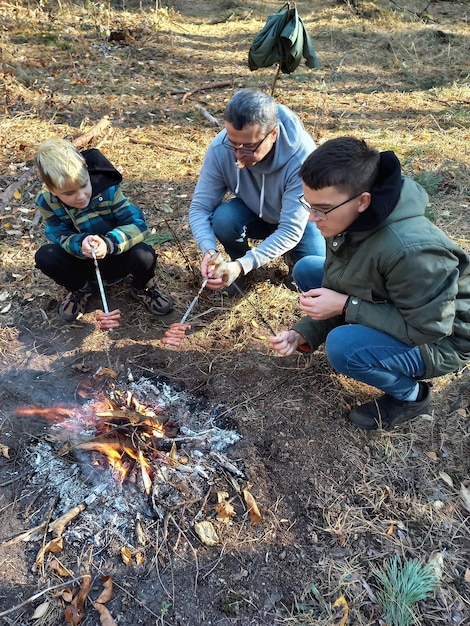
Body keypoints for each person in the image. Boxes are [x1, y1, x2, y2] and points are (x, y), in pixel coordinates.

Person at [268, 136, 470, 430]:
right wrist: (303, 333)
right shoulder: (349, 220)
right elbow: (344, 284)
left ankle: (410, 396)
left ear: (363, 201)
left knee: (343, 347)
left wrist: (346, 306)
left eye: (321, 208)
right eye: (308, 205)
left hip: (443, 340)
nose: (312, 218)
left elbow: (429, 328)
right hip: (401, 306)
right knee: (309, 268)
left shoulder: (412, 251)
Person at [189, 89, 326, 296]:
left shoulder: (302, 159)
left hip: (299, 220)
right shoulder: (220, 148)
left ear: (273, 134)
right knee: (224, 219)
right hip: (254, 212)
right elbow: (200, 207)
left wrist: (245, 263)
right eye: (233, 143)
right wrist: (210, 252)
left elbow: (290, 229)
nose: (238, 154)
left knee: (314, 275)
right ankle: (238, 265)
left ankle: (290, 259)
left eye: (248, 147)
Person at [34, 138, 173, 327]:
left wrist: (109, 243)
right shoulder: (46, 201)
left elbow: (138, 224)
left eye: (84, 185)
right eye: (69, 194)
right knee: (46, 256)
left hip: (116, 254)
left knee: (145, 255)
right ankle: (81, 289)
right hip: (83, 261)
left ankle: (142, 288)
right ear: (52, 189)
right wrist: (79, 243)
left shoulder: (108, 189)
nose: (81, 196)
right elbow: (58, 234)